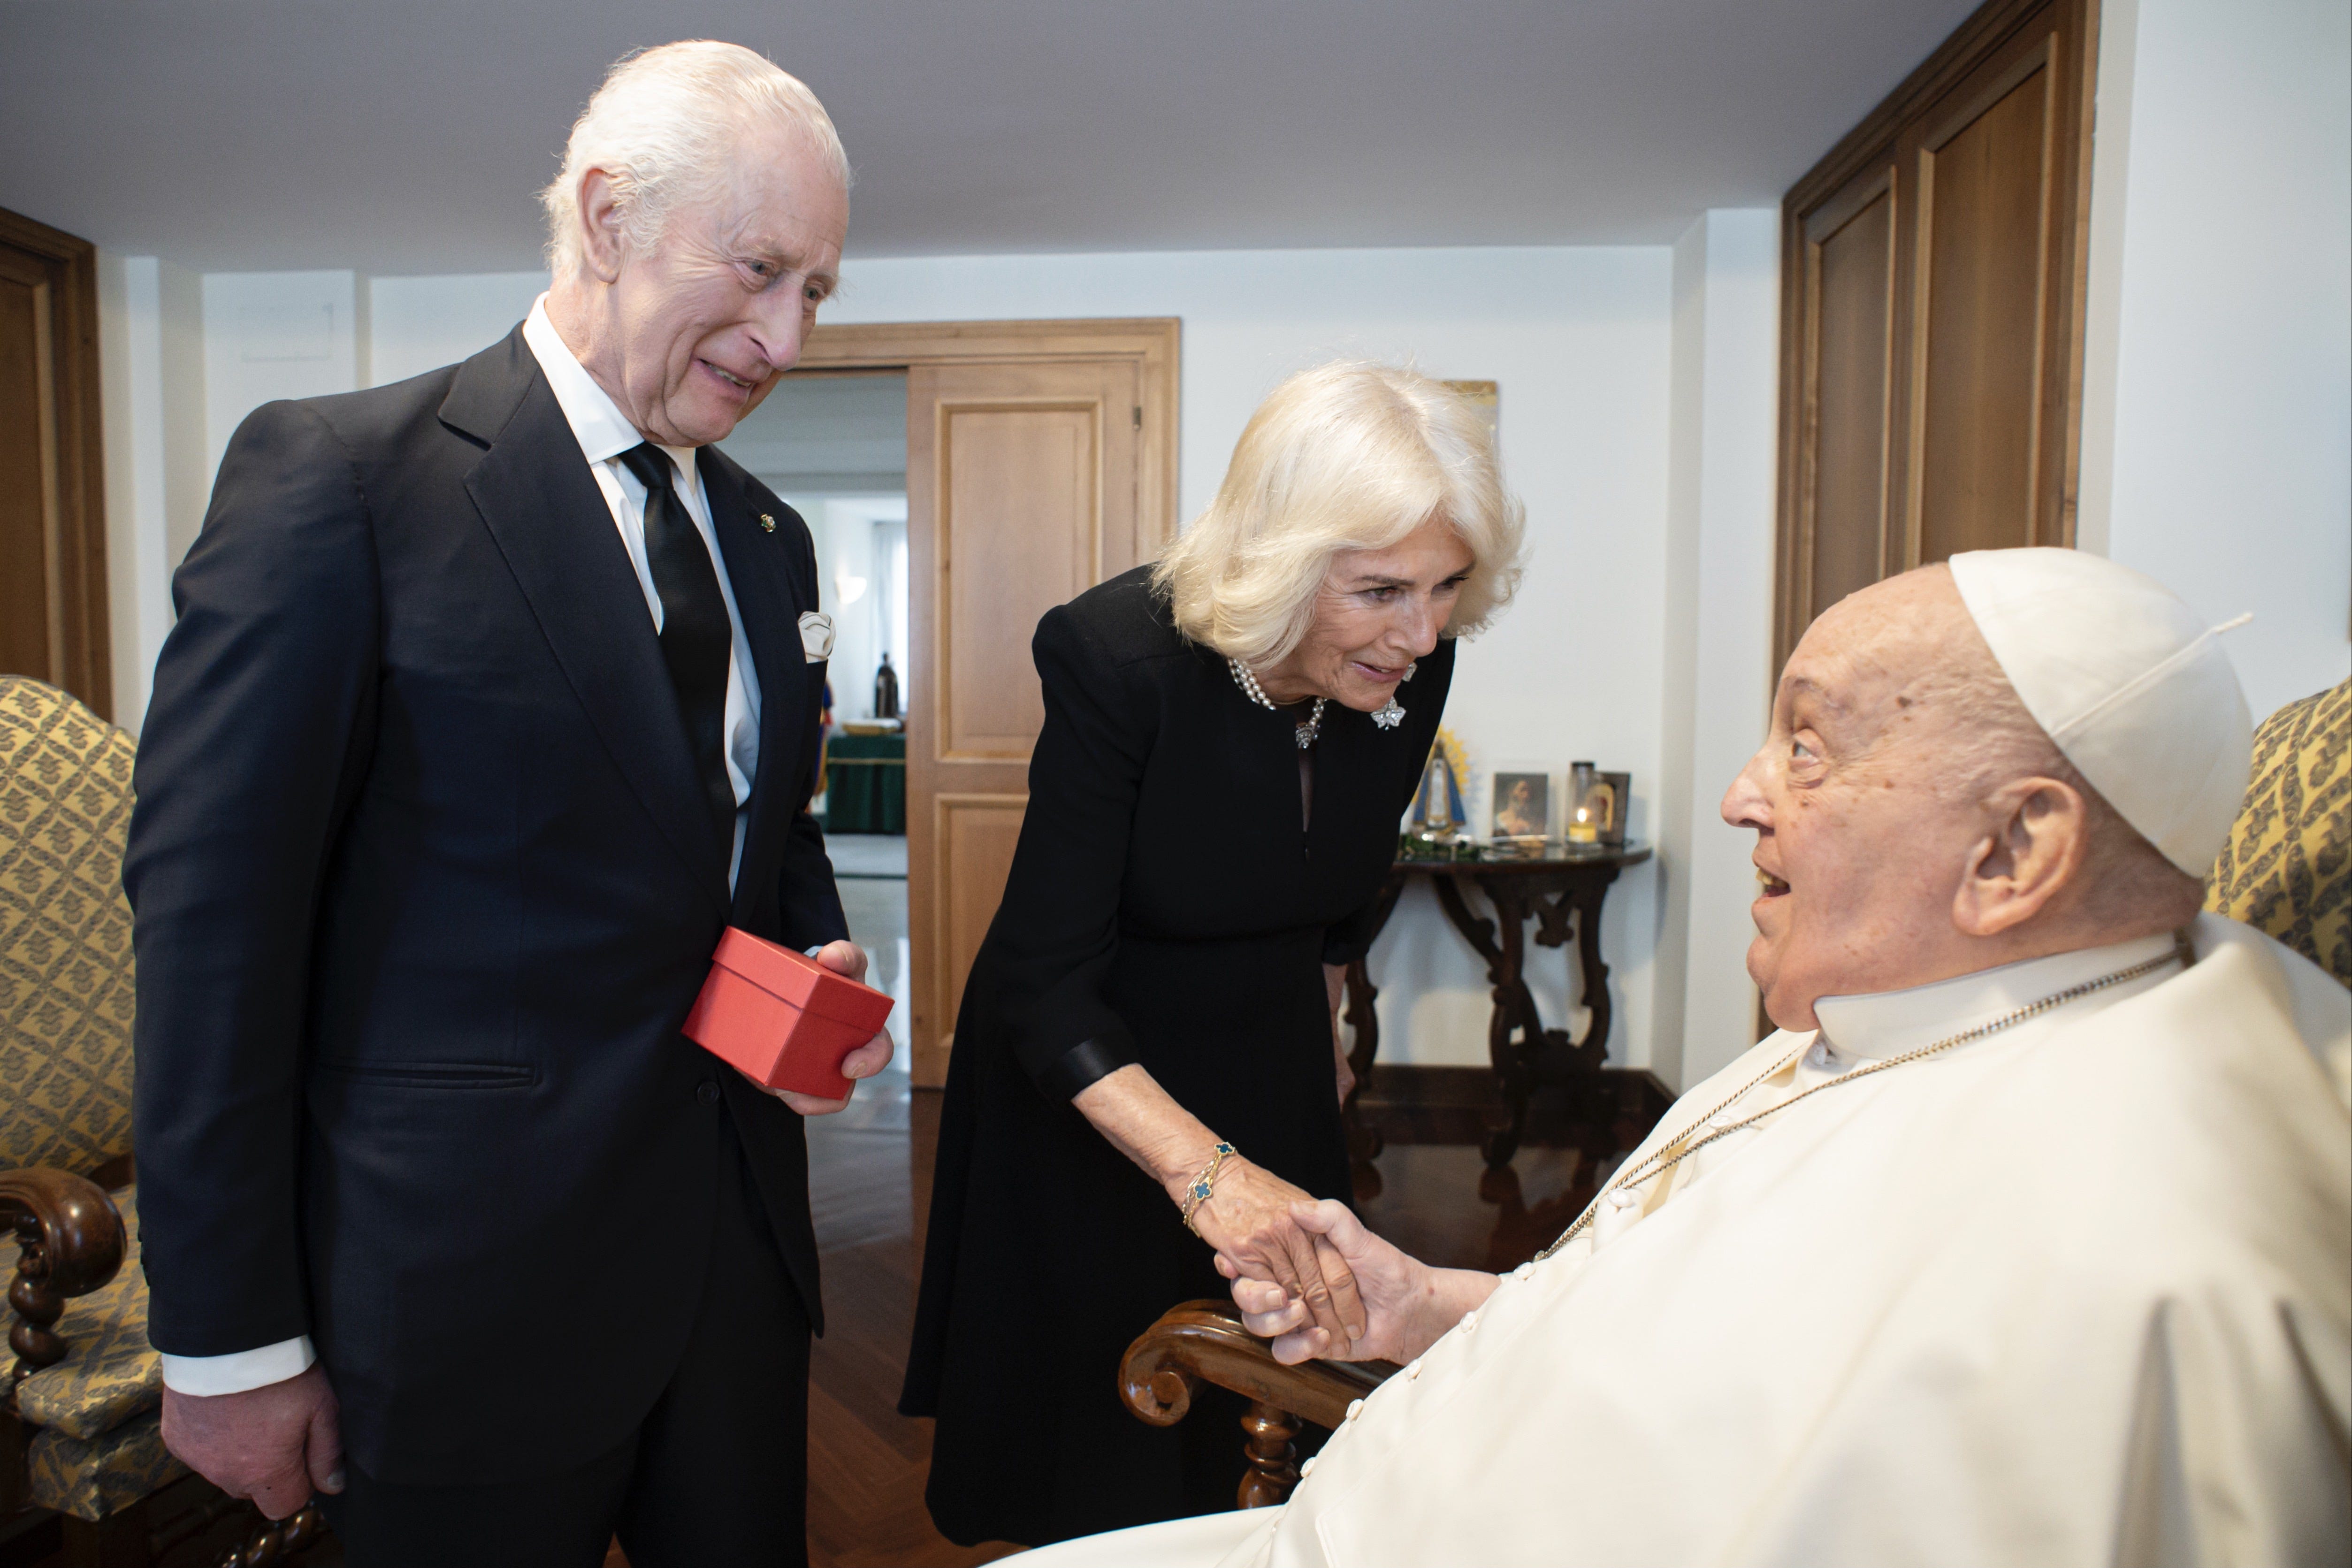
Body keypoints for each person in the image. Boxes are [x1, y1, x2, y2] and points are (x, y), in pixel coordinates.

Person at [1016, 549, 2352, 1567]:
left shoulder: (2130, 1252)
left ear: (2013, 852)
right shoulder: (1904, 1013)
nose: (1738, 794)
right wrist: (1420, 1305)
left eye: (1807, 745)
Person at [125, 42, 887, 1568]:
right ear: (608, 219)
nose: (787, 336)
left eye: (816, 291)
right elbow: (214, 936)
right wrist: (227, 1342)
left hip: (733, 1276)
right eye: (759, 270)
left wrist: (808, 972)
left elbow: (758, 827)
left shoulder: (766, 534)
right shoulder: (340, 481)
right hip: (457, 1302)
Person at [902, 362, 1526, 1547]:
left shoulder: (1409, 662)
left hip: (1267, 1042)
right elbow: (1042, 979)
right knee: (1103, 1420)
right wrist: (1209, 1177)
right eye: (1381, 591)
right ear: (1280, 560)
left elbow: (1340, 890)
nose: (1421, 633)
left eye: (1445, 587)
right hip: (1098, 1065)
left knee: (1274, 1379)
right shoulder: (1114, 658)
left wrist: (1325, 1032)